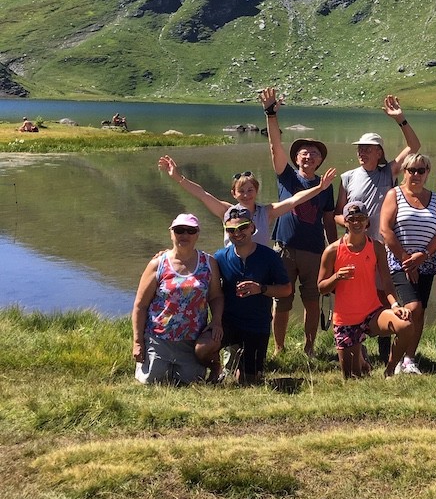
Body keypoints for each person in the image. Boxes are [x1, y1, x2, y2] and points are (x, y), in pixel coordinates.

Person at [259, 87, 337, 356]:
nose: (309, 156)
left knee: (313, 301)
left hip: (314, 251)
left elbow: (328, 219)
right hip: (285, 249)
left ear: (320, 160)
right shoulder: (288, 177)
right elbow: (274, 146)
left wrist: (334, 249)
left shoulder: (326, 185)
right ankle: (279, 348)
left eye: (314, 153)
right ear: (296, 158)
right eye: (304, 152)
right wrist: (270, 115)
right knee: (281, 301)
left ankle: (310, 347)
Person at [317, 201, 414, 377]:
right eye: (352, 219)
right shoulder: (332, 250)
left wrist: (395, 306)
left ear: (367, 221)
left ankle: (390, 371)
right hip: (346, 318)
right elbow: (321, 288)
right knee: (353, 376)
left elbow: (386, 281)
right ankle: (361, 358)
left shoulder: (376, 247)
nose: (357, 223)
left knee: (406, 325)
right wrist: (336, 276)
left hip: (372, 312)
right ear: (345, 222)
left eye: (361, 218)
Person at [158, 156, 337, 248]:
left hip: (258, 268)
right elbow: (202, 194)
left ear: (256, 192)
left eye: (250, 190)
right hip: (232, 266)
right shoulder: (226, 212)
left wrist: (320, 188)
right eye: (241, 191)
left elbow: (294, 200)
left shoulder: (266, 212)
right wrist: (177, 177)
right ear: (233, 194)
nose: (246, 195)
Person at [132, 213, 224, 384]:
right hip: (159, 338)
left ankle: (212, 365)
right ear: (171, 233)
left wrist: (217, 321)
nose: (184, 235)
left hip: (192, 339)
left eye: (190, 231)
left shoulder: (209, 263)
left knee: (191, 381)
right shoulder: (158, 264)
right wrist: (138, 342)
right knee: (151, 381)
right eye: (179, 230)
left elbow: (216, 296)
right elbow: (140, 305)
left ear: (197, 234)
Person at [379, 153, 436, 374]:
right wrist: (406, 259)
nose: (415, 174)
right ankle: (394, 359)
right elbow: (385, 229)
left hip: (425, 263)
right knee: (411, 308)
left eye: (420, 170)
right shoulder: (394, 195)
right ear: (404, 172)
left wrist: (423, 255)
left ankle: (409, 359)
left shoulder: (435, 199)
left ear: (427, 173)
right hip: (398, 262)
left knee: (420, 311)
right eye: (411, 170)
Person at [213, 206, 292, 384]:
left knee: (249, 380)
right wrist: (167, 254)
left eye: (242, 228)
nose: (237, 233)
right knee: (204, 347)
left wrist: (262, 289)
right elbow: (195, 265)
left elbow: (286, 289)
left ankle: (246, 369)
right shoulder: (219, 257)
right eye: (231, 230)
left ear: (252, 227)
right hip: (229, 324)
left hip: (257, 325)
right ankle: (213, 372)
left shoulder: (269, 256)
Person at [333, 94, 421, 239]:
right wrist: (352, 223)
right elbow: (337, 214)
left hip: (383, 244)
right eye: (360, 149)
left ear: (379, 153)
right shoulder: (347, 177)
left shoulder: (388, 172)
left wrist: (400, 119)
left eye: (367, 149)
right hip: (356, 243)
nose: (362, 153)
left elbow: (414, 146)